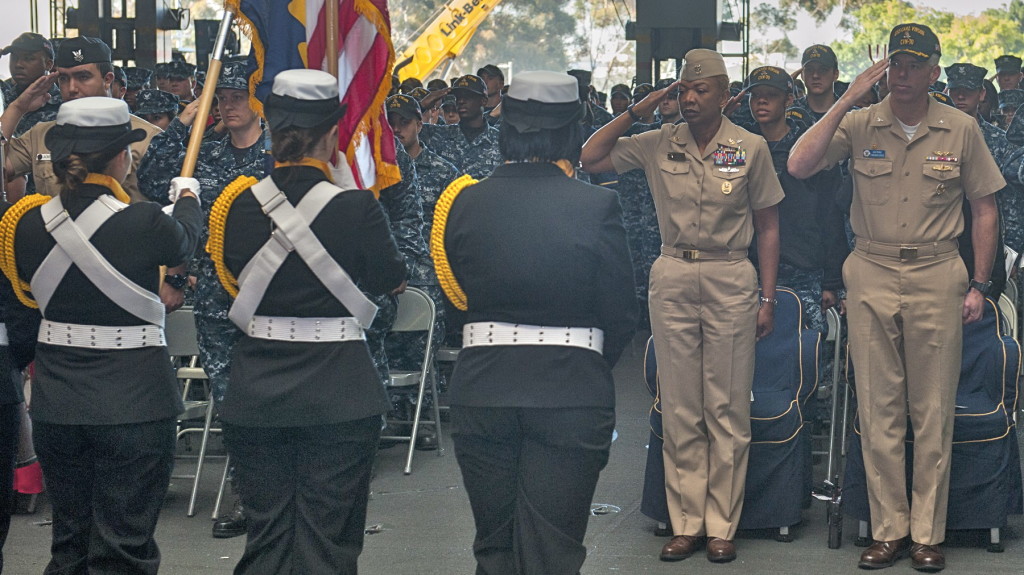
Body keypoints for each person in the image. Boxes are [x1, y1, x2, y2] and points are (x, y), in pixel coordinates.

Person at [788, 23, 1004, 572]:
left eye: (914, 64)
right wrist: (847, 98)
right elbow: (799, 163)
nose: (902, 74)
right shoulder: (860, 123)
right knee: (878, 408)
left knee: (932, 411)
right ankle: (889, 530)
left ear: (935, 71)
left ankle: (928, 534)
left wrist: (980, 285)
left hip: (937, 273)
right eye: (895, 63)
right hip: (872, 269)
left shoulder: (960, 128)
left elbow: (984, 210)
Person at [581, 49, 783, 564]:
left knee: (727, 405)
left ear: (724, 94)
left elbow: (768, 225)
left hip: (730, 274)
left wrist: (766, 296)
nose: (690, 99)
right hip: (672, 273)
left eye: (701, 91)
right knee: (680, 406)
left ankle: (722, 524)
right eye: (683, 90)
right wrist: (638, 108)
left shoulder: (750, 146)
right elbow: (591, 157)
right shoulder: (656, 141)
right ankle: (686, 522)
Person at [433, 69, 636, 575]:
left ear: (505, 125)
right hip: (571, 390)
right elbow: (621, 313)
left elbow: (456, 300)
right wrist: (581, 356)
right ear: (573, 130)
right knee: (554, 550)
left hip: (483, 386)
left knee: (495, 548)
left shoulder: (464, 201)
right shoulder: (598, 205)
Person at [208, 68, 406, 574]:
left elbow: (229, 273)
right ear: (333, 132)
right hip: (339, 387)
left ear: (272, 128)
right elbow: (392, 280)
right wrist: (341, 196)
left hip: (257, 389)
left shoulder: (237, 207)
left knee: (267, 536)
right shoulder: (358, 207)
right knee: (329, 541)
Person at [0, 96, 201, 574]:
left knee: (70, 541)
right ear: (120, 155)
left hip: (58, 402)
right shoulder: (148, 221)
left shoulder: (25, 223)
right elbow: (187, 241)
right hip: (135, 402)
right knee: (125, 544)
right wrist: (188, 196)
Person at [137, 59, 268, 539]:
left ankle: (271, 485)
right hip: (215, 295)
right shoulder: (202, 155)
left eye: (236, 95)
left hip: (270, 294)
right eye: (221, 96)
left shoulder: (278, 158)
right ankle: (244, 486)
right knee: (230, 395)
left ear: (258, 99)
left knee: (269, 392)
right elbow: (154, 181)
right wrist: (188, 120)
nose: (227, 105)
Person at [745, 66, 847, 333]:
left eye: (771, 95)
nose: (762, 101)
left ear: (789, 100)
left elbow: (832, 216)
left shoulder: (809, 151)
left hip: (804, 271)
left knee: (807, 361)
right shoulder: (739, 147)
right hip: (748, 269)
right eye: (755, 96)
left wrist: (832, 281)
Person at [1, 36, 161, 202]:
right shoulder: (42, 135)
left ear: (108, 80)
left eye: (83, 77)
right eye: (64, 78)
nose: (71, 88)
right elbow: (3, 168)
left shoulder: (148, 138)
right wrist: (17, 108)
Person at [417, 75, 502, 179]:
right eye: (458, 97)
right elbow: (395, 136)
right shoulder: (436, 134)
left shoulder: (501, 141)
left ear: (483, 101)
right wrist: (422, 105)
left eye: (467, 96)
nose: (461, 101)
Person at [0, 32, 60, 137]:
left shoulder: (61, 104)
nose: (18, 64)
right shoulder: (4, 95)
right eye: (14, 58)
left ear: (48, 64)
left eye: (28, 58)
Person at [794, 44, 840, 123]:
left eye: (823, 70)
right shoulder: (790, 114)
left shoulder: (849, 113)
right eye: (809, 70)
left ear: (835, 74)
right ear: (802, 75)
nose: (815, 75)